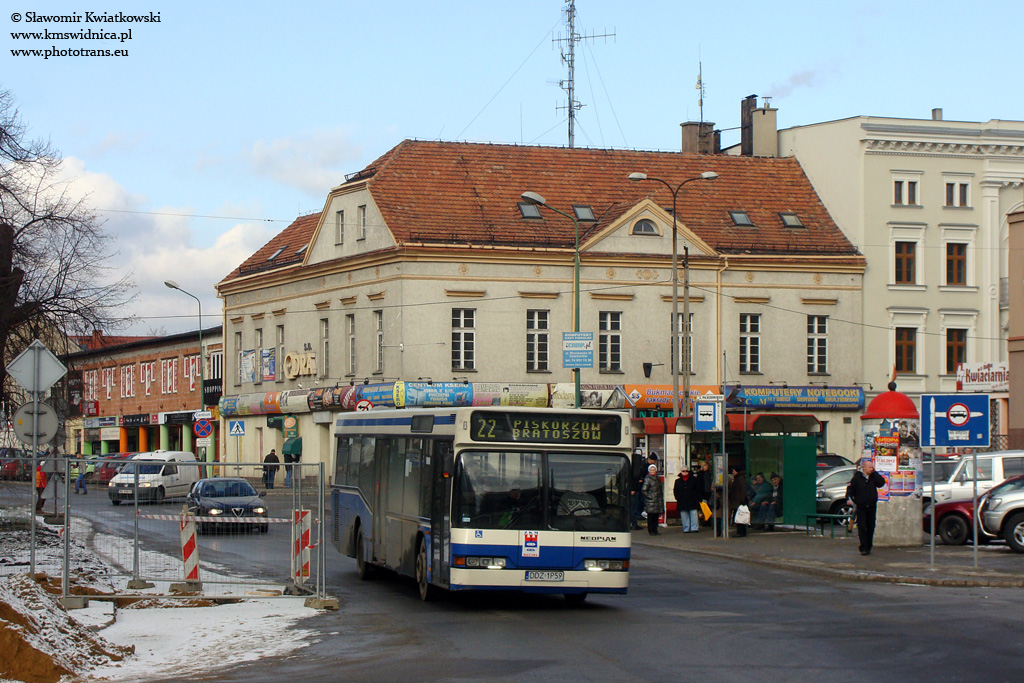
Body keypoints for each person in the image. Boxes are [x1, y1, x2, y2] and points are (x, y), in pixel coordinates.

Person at [846, 459, 886, 555]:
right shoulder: (857, 478)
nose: (871, 469)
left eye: (872, 467)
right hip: (861, 506)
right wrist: (849, 498)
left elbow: (881, 483)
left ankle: (869, 546)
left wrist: (875, 473)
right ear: (864, 467)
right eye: (869, 467)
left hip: (871, 506)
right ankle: (863, 547)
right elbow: (851, 489)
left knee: (871, 526)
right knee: (862, 527)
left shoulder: (873, 477)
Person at [673, 466, 702, 533]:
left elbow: (698, 489)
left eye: (686, 471)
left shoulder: (694, 480)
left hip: (692, 500)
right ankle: (686, 528)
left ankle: (694, 528)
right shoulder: (677, 481)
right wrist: (678, 498)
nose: (685, 472)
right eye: (683, 471)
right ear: (681, 472)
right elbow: (675, 491)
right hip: (682, 500)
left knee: (693, 514)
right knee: (684, 515)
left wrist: (697, 498)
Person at [642, 464, 663, 536]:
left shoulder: (658, 478)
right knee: (651, 517)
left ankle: (655, 530)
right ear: (649, 471)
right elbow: (644, 490)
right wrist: (650, 496)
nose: (652, 471)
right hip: (650, 501)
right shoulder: (647, 478)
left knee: (656, 517)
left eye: (654, 469)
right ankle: (651, 531)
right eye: (651, 470)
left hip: (658, 500)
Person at [728, 466, 749, 537]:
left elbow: (742, 490)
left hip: (738, 501)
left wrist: (742, 500)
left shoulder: (739, 479)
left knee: (740, 516)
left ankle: (740, 532)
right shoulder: (739, 478)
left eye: (734, 471)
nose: (733, 472)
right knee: (740, 516)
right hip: (738, 500)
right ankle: (741, 532)